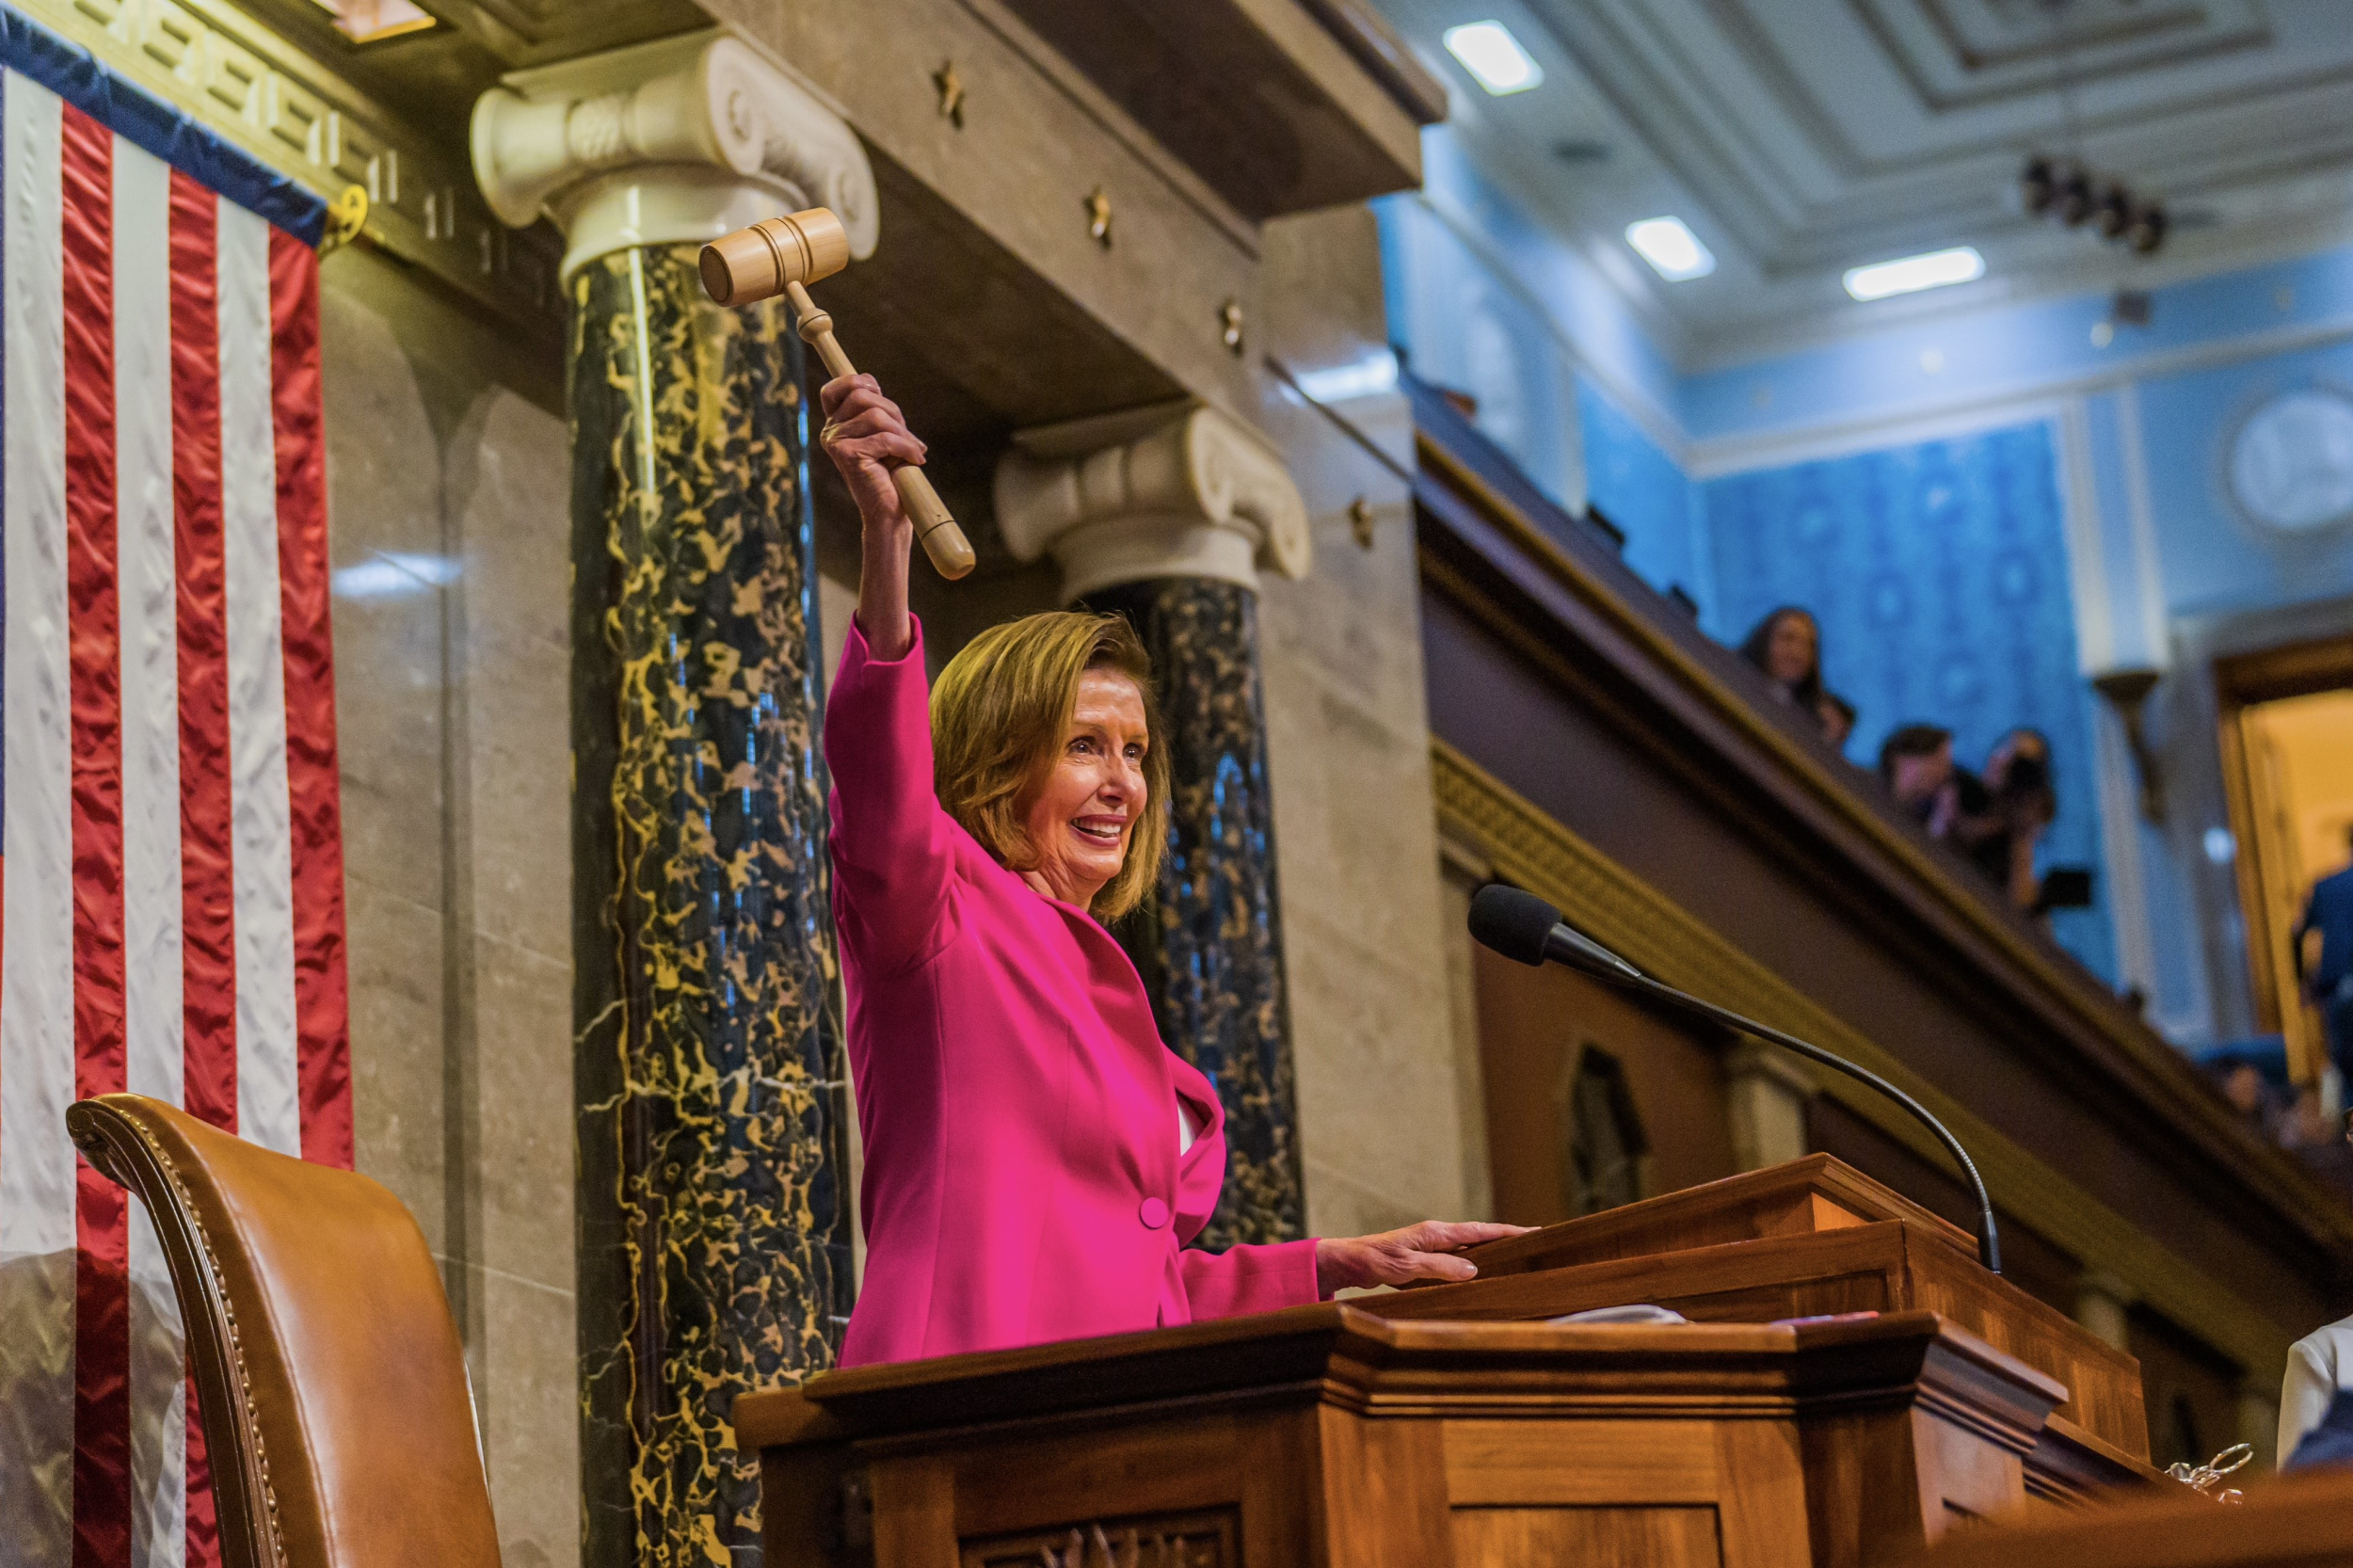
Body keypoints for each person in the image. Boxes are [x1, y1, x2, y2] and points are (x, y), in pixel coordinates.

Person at [815, 372, 1527, 1368]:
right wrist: (887, 545)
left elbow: (1137, 1288)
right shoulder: (935, 907)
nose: (1120, 783)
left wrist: (1332, 1263)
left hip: (1110, 1414)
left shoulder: (1108, 988)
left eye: (1135, 752)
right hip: (956, 1405)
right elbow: (876, 776)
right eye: (1083, 746)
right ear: (996, 754)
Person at [1952, 728, 2057, 913]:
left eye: (2022, 763)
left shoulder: (2021, 824)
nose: (2010, 762)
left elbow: (2022, 905)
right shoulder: (1958, 786)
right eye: (2009, 749)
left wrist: (2023, 833)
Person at [2295, 828, 2353, 1083]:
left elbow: (2296, 933)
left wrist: (2303, 980)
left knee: (2345, 1071)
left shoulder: (2324, 887)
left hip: (2336, 988)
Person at [1738, 607, 1826, 721]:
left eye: (1807, 645)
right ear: (1765, 640)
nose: (1797, 653)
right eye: (1787, 638)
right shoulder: (1728, 683)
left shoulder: (1810, 722)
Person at [1879, 724, 1961, 839]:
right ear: (1904, 758)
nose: (1946, 774)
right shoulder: (1861, 790)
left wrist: (1939, 825)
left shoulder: (1921, 822)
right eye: (1938, 761)